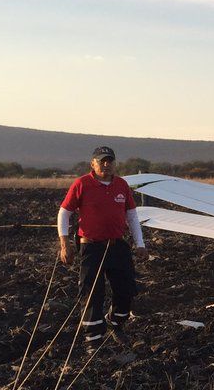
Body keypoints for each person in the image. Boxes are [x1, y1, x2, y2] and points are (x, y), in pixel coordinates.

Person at [57, 147, 149, 349]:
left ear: (115, 163)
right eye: (102, 161)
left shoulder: (122, 185)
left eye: (110, 161)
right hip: (92, 247)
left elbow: (132, 216)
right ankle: (93, 339)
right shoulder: (82, 184)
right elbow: (64, 213)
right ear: (93, 164)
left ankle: (115, 323)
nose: (106, 165)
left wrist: (140, 244)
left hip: (117, 246)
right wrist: (65, 243)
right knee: (92, 293)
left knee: (126, 290)